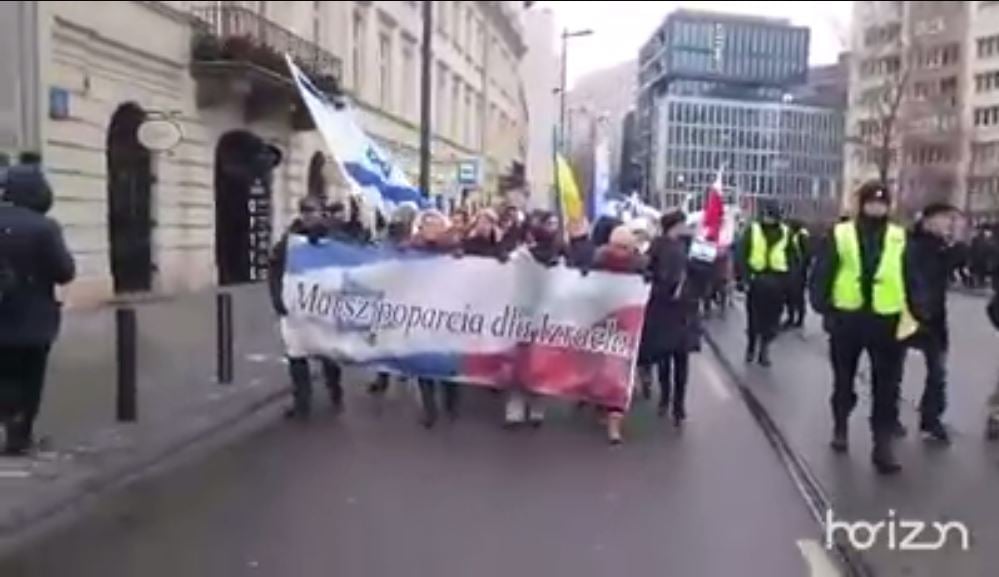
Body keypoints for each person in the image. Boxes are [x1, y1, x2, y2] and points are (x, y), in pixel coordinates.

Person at [810, 181, 911, 475]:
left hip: (887, 320)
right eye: (871, 202)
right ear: (862, 205)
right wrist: (825, 308)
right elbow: (823, 272)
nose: (876, 207)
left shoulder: (899, 237)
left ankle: (882, 446)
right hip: (848, 319)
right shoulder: (840, 234)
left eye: (882, 203)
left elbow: (910, 276)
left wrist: (916, 314)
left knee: (887, 388)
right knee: (843, 380)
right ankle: (840, 424)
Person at [0, 165, 75, 455]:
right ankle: (20, 437)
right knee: (29, 377)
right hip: (33, 317)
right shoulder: (44, 226)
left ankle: (7, 419)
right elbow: (64, 271)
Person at [268, 196, 345, 420]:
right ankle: (302, 402)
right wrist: (277, 298)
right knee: (296, 354)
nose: (307, 215)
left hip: (324, 307)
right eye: (304, 210)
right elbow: (275, 267)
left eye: (312, 210)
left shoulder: (333, 237)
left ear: (321, 212)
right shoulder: (290, 238)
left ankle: (335, 391)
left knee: (328, 353)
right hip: (295, 307)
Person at [902, 202, 959, 444]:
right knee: (891, 371)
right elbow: (912, 280)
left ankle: (931, 419)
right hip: (910, 316)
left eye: (951, 220)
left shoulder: (942, 248)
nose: (950, 225)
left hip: (935, 319)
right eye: (946, 219)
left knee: (937, 372)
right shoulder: (913, 246)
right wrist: (919, 311)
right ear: (928, 220)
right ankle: (889, 417)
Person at [639, 210, 701, 426]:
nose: (687, 227)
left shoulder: (689, 246)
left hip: (681, 309)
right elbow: (645, 269)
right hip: (667, 308)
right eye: (684, 224)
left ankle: (677, 403)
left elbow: (699, 270)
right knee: (668, 356)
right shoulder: (658, 246)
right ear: (675, 225)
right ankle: (668, 399)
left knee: (679, 357)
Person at [592, 226, 647, 443]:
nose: (620, 252)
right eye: (617, 247)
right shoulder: (598, 261)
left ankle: (615, 424)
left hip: (626, 327)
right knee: (600, 370)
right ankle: (599, 405)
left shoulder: (640, 265)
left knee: (619, 374)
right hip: (602, 323)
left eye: (625, 248)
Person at [409, 209, 461, 428]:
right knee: (424, 364)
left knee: (447, 363)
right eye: (426, 224)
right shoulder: (411, 249)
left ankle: (451, 401)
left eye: (435, 224)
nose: (430, 228)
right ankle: (430, 409)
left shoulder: (453, 250)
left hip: (447, 314)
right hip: (422, 313)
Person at [736, 200, 792, 367]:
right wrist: (744, 277)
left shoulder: (785, 232)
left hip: (777, 280)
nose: (768, 219)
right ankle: (752, 346)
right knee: (754, 317)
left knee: (772, 318)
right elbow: (742, 254)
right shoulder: (752, 230)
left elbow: (792, 259)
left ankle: (764, 349)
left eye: (772, 216)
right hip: (757, 279)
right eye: (766, 215)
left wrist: (790, 281)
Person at [783, 219, 811, 329]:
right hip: (793, 271)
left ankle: (798, 319)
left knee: (798, 296)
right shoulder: (796, 235)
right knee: (790, 296)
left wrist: (802, 269)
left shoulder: (801, 236)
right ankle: (792, 318)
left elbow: (806, 255)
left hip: (798, 272)